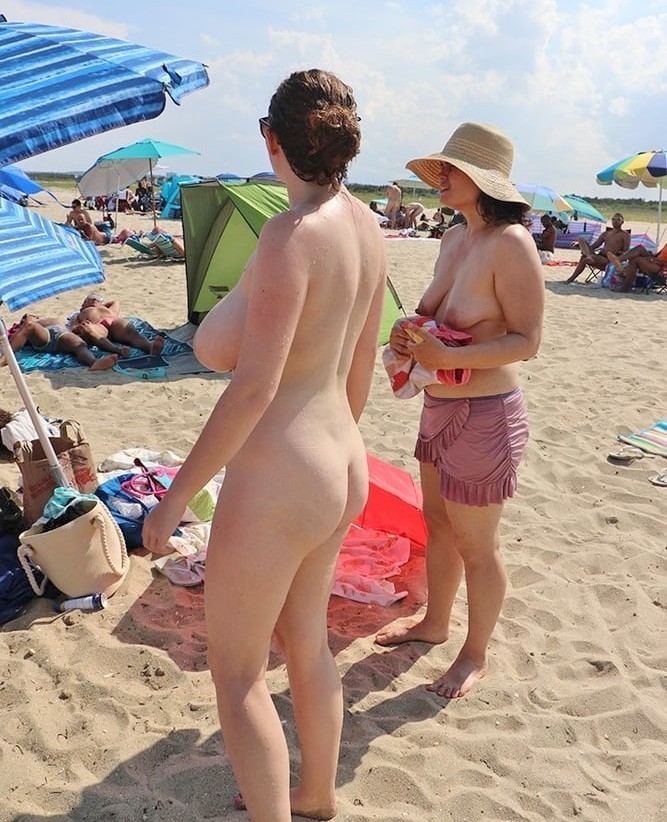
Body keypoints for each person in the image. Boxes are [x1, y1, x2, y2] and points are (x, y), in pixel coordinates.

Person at [141, 69, 386, 820]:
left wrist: (176, 499)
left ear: (272, 140)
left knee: (239, 674)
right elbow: (360, 366)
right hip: (341, 458)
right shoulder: (365, 226)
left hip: (284, 469)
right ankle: (315, 796)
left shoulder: (289, 235)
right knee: (307, 642)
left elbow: (250, 385)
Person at [374, 122, 544, 700]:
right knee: (438, 525)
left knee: (478, 545)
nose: (440, 177)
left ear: (482, 179)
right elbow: (434, 315)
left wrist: (447, 355)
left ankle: (475, 655)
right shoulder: (453, 238)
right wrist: (407, 333)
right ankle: (435, 623)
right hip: (438, 408)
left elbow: (527, 340)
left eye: (451, 168)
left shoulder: (512, 244)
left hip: (486, 413)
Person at [0, 314, 118, 370]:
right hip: (49, 335)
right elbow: (25, 330)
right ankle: (5, 358)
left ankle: (94, 362)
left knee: (79, 345)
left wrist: (117, 350)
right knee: (29, 325)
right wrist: (28, 320)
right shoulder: (28, 325)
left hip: (62, 335)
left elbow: (98, 338)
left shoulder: (77, 322)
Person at [68, 294, 165, 355]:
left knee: (130, 332)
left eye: (85, 302)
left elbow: (115, 301)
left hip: (114, 322)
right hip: (98, 325)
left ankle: (150, 346)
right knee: (90, 330)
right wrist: (80, 327)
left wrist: (99, 305)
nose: (82, 305)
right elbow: (72, 328)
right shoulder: (79, 314)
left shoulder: (108, 309)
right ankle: (117, 350)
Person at [566, 212, 630, 283]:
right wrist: (581, 245)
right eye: (613, 219)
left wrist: (616, 256)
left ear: (622, 222)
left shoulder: (625, 235)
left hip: (609, 259)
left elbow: (626, 251)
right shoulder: (605, 234)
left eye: (618, 219)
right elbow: (594, 246)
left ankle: (570, 279)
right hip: (599, 255)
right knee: (581, 239)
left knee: (583, 258)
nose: (615, 221)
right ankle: (589, 256)